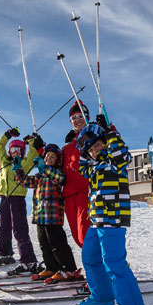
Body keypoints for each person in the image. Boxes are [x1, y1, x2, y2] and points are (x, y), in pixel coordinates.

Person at [72, 118, 148, 305]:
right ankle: (103, 297)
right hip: (96, 220)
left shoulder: (116, 162)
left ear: (105, 142)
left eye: (98, 145)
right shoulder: (92, 167)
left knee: (114, 263)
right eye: (91, 149)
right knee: (90, 257)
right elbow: (82, 165)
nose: (95, 151)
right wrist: (85, 147)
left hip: (113, 218)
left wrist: (110, 134)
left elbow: (122, 154)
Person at [23, 141, 82, 283]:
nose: (48, 159)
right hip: (40, 216)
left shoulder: (57, 172)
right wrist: (18, 168)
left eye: (52, 157)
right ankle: (52, 267)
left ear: (57, 161)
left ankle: (69, 269)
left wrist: (44, 169)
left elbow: (59, 179)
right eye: (47, 156)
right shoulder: (39, 176)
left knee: (57, 243)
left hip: (53, 216)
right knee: (44, 244)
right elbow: (25, 182)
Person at [0, 128, 40, 275]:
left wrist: (31, 141)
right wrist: (7, 134)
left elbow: (34, 152)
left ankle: (28, 260)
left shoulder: (25, 163)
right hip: (4, 198)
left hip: (17, 198)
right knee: (4, 226)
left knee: (19, 229)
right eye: (12, 149)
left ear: (22, 152)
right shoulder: (4, 162)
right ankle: (5, 253)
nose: (15, 152)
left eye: (18, 150)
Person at [61, 101, 91, 248]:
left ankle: (101, 264)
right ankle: (94, 264)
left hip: (84, 190)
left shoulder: (93, 135)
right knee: (76, 236)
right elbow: (55, 164)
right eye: (74, 117)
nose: (77, 120)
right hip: (68, 193)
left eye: (81, 116)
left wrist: (107, 129)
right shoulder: (67, 146)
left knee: (84, 232)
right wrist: (41, 150)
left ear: (87, 117)